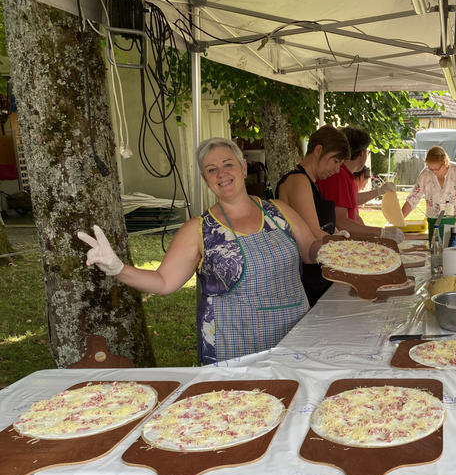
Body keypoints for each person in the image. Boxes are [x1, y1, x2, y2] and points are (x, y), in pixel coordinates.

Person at [78, 137, 323, 366]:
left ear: (244, 168)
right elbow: (164, 282)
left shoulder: (278, 211)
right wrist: (118, 269)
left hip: (294, 331)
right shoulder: (199, 230)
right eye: (211, 170)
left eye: (228, 164)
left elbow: (310, 251)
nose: (222, 174)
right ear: (206, 179)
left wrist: (332, 247)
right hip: (237, 344)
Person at [275, 125, 350, 306]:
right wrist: (351, 250)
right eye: (335, 161)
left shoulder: (312, 183)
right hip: (305, 278)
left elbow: (325, 225)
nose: (338, 169)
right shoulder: (298, 181)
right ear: (318, 150)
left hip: (319, 272)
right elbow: (315, 233)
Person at [316, 126, 404, 242]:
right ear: (362, 153)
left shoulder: (345, 175)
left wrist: (379, 191)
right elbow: (341, 222)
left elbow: (350, 201)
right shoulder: (339, 175)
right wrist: (380, 232)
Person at [401, 146, 456, 220]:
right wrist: (399, 219)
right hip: (434, 224)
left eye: (437, 169)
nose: (434, 172)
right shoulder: (425, 174)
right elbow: (412, 199)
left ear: (445, 163)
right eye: (431, 169)